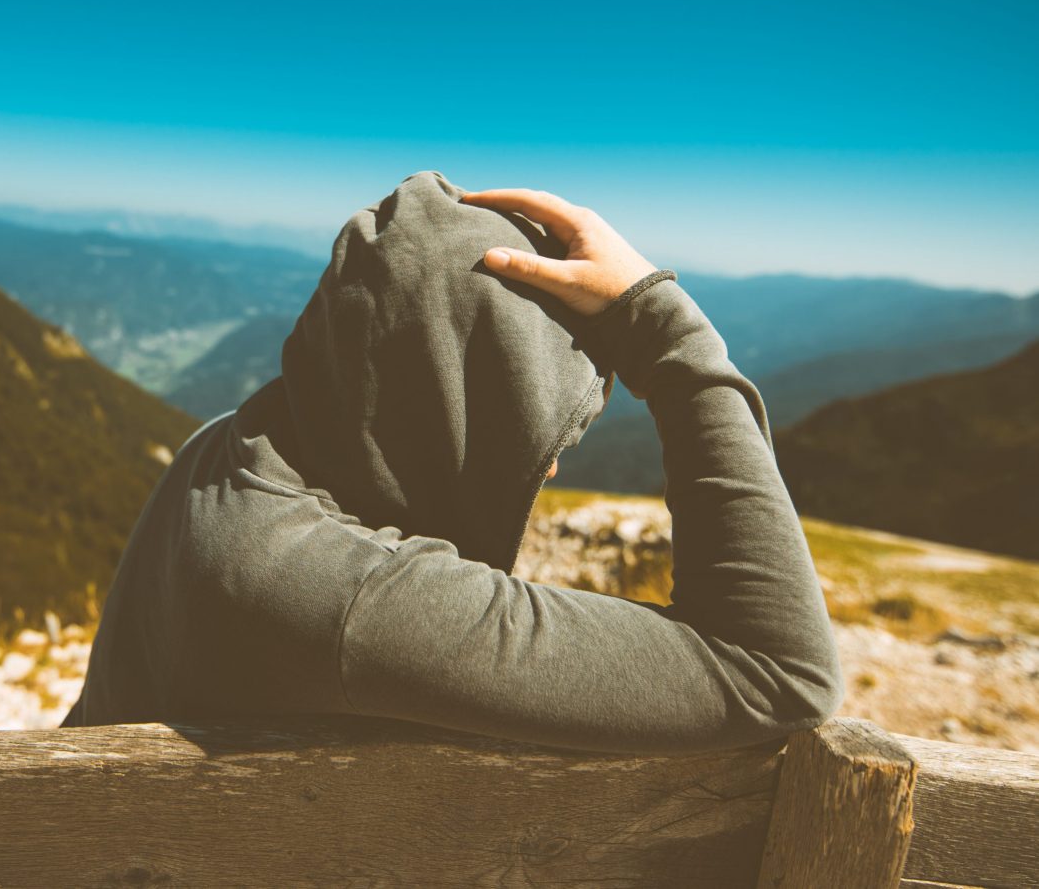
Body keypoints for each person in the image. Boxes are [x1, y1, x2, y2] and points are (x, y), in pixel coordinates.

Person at [59, 171, 844, 755]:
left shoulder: (234, 445)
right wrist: (663, 329)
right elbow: (777, 669)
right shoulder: (355, 601)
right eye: (545, 437)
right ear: (456, 400)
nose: (553, 472)